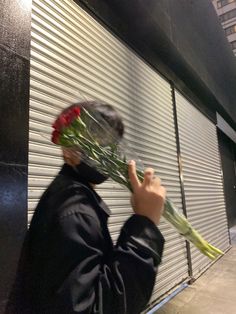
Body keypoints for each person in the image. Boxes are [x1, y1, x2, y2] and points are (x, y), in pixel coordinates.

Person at [6, 101, 166, 314]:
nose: (108, 151)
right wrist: (145, 225)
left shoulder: (70, 195)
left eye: (113, 142)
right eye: (96, 139)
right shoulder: (75, 210)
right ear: (68, 150)